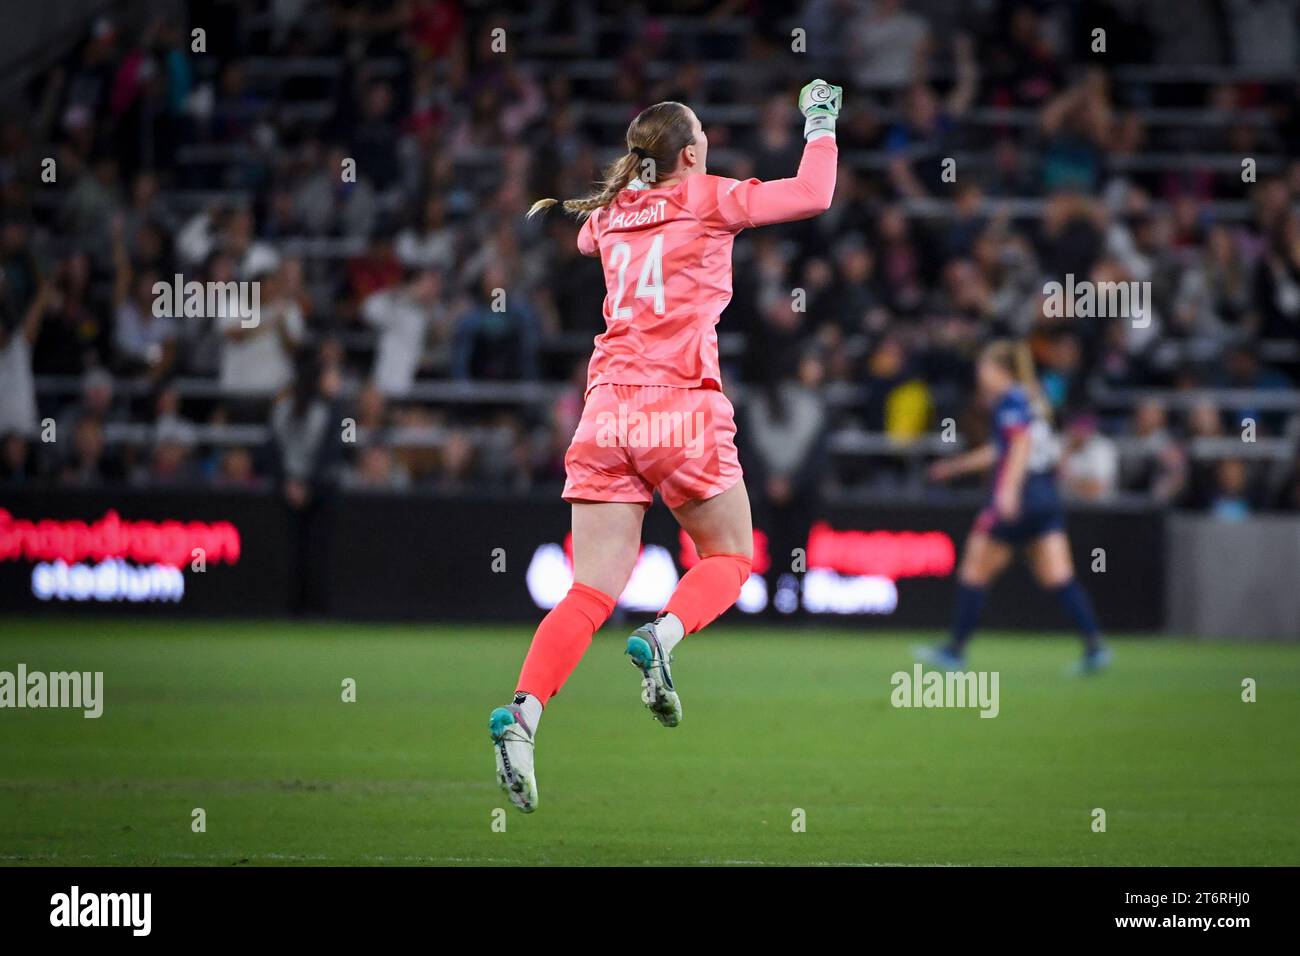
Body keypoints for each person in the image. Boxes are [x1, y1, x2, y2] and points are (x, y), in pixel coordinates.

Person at [489, 81, 842, 812]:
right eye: (703, 137)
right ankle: (664, 635)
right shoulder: (709, 196)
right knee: (731, 556)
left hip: (606, 413)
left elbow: (587, 234)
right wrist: (820, 121)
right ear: (688, 152)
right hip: (679, 407)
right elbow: (813, 194)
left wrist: (632, 187)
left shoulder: (611, 214)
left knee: (589, 591)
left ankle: (523, 715)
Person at [919, 340, 1110, 675]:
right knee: (1058, 575)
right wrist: (954, 467)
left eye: (984, 367)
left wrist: (1006, 493)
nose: (980, 374)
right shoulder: (1031, 399)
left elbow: (1018, 446)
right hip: (1045, 495)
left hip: (1021, 493)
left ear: (998, 370)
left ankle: (955, 651)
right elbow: (1003, 449)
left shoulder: (1010, 400)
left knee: (974, 569)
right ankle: (1094, 647)